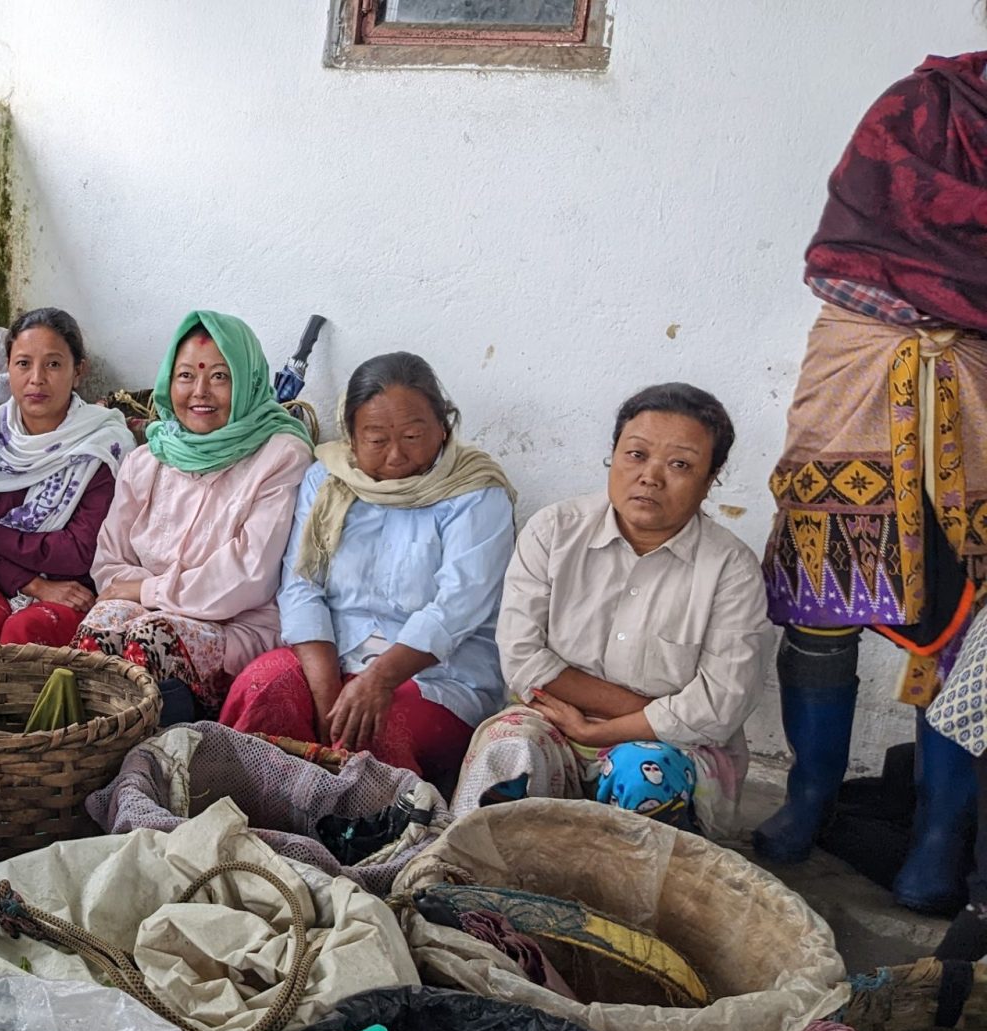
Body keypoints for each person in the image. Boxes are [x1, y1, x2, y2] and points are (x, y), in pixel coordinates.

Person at [749, 51, 987, 926]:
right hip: (859, 352)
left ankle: (937, 830)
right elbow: (861, 209)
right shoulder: (926, 100)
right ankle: (810, 795)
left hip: (979, 371)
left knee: (965, 608)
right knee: (821, 588)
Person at [452, 384, 769, 837]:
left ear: (710, 479)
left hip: (669, 744)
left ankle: (627, 903)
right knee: (509, 750)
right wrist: (612, 717)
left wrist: (604, 730)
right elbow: (523, 660)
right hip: (553, 721)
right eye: (636, 454)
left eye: (680, 464)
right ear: (613, 455)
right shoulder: (554, 532)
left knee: (646, 771)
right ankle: (467, 887)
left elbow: (720, 705)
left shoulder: (731, 570)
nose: (651, 477)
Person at [219, 353, 516, 788]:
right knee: (263, 689)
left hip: (433, 676)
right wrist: (325, 696)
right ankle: (256, 830)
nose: (397, 455)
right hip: (333, 659)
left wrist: (376, 681)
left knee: (372, 733)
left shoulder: (476, 493)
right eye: (376, 440)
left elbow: (457, 607)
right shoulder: (327, 481)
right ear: (352, 439)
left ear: (445, 427)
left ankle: (375, 849)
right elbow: (302, 585)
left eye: (414, 435)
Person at [75, 310, 313, 712]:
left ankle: (168, 754)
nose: (200, 391)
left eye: (220, 376)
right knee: (98, 631)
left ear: (247, 382)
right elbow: (109, 563)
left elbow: (248, 576)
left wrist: (148, 589)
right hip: (145, 610)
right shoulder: (149, 457)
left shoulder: (281, 455)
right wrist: (143, 595)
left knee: (150, 639)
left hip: (236, 624)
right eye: (186, 376)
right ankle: (96, 758)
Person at [0, 308, 134, 648]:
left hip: (76, 591)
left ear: (78, 371)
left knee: (25, 630)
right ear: (7, 368)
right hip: (9, 584)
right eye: (23, 363)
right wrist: (34, 585)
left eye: (53, 364)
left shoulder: (101, 445)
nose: (36, 378)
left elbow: (79, 551)